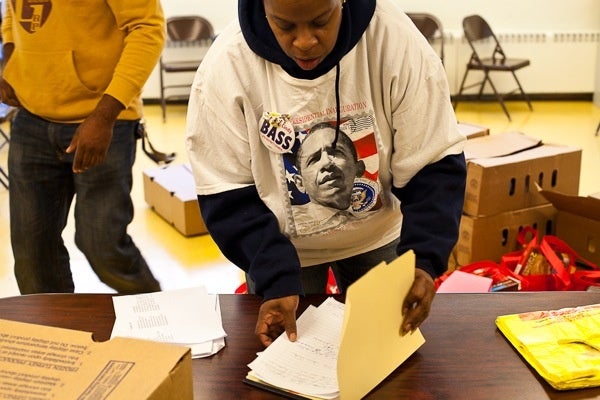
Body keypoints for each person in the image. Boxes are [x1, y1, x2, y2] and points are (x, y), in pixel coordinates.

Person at [186, 0, 467, 347]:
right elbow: (225, 193)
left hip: (377, 237)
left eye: (320, 22)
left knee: (384, 354)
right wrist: (275, 277)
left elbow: (433, 161)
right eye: (285, 26)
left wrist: (424, 257)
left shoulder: (393, 40)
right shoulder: (227, 66)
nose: (304, 42)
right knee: (289, 361)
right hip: (279, 247)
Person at [0, 0, 165, 294]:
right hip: (31, 119)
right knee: (33, 254)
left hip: (103, 120)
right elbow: (14, 12)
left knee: (102, 246)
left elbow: (148, 28)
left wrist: (104, 117)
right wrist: (9, 59)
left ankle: (164, 324)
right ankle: (56, 336)